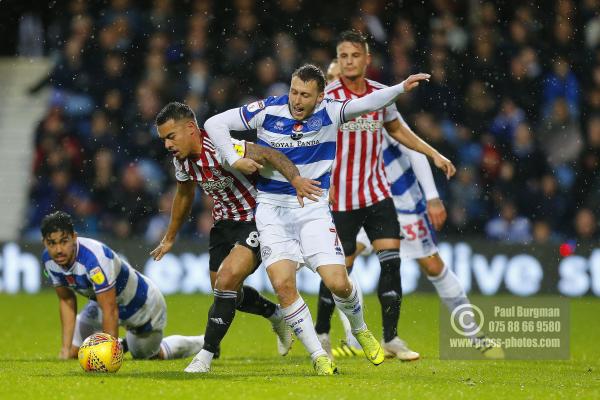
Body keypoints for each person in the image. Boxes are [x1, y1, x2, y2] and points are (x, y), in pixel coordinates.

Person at [202, 63, 455, 375]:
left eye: (305, 95)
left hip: (312, 210)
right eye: (294, 91)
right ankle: (318, 356)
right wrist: (232, 157)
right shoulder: (267, 110)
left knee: (338, 283)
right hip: (271, 211)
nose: (296, 100)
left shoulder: (332, 112)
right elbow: (214, 123)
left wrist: (400, 88)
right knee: (283, 286)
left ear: (320, 97)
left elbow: (369, 103)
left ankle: (360, 328)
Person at [150, 102, 322, 373]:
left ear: (191, 129)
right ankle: (274, 314)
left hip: (255, 218)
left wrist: (296, 180)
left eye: (171, 137)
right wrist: (170, 237)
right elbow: (184, 194)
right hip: (223, 225)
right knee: (226, 291)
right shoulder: (181, 161)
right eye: (163, 139)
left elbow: (268, 154)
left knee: (227, 279)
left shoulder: (220, 147)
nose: (167, 145)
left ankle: (205, 356)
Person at [315, 30, 454, 360]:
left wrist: (434, 154)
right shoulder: (329, 97)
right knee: (338, 273)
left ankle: (391, 338)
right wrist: (322, 181)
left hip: (378, 194)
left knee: (391, 263)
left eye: (354, 55)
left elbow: (398, 131)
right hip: (342, 200)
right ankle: (321, 332)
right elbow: (315, 142)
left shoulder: (380, 95)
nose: (349, 61)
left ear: (366, 60)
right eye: (343, 56)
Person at [41, 211, 205, 361]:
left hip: (141, 305)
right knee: (74, 353)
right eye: (52, 243)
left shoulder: (94, 258)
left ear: (74, 237)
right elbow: (67, 300)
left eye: (64, 241)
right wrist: (65, 348)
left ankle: (201, 343)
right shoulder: (49, 260)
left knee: (147, 355)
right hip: (102, 305)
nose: (58, 250)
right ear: (44, 243)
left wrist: (109, 357)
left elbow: (110, 309)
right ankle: (123, 344)